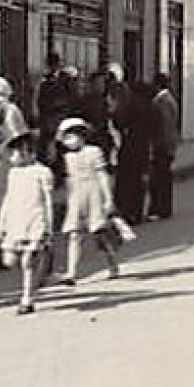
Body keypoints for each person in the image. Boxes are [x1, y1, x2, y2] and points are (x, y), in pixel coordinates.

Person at [0, 130, 55, 315]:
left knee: (27, 260)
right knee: (9, 260)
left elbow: (47, 200)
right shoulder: (13, 173)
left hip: (35, 219)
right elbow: (8, 199)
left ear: (27, 152)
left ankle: (27, 298)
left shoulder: (42, 172)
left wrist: (49, 224)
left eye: (14, 153)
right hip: (16, 220)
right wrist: (2, 222)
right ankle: (41, 267)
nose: (11, 157)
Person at [58, 117, 120, 284]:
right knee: (74, 234)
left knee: (100, 233)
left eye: (72, 137)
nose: (68, 142)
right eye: (66, 138)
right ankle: (71, 272)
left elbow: (102, 175)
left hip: (93, 194)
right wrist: (68, 198)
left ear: (82, 136)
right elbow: (69, 180)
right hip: (77, 197)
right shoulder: (67, 158)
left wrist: (107, 198)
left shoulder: (94, 152)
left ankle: (112, 263)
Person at [112, 81, 153, 225]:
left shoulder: (128, 106)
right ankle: (136, 212)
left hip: (130, 149)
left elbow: (120, 123)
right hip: (139, 148)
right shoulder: (141, 105)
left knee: (128, 182)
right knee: (137, 183)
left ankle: (129, 212)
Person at [147, 73, 180, 221]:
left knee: (160, 178)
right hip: (166, 144)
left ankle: (161, 208)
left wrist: (163, 145)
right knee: (163, 177)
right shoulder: (168, 100)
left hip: (162, 145)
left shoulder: (163, 102)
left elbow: (166, 126)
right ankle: (164, 208)